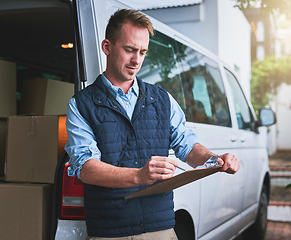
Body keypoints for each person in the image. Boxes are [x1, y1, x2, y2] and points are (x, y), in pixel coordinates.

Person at [65, 8, 240, 240]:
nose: (136, 60)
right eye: (129, 50)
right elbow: (86, 168)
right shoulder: (81, 104)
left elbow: (187, 145)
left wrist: (215, 160)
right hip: (110, 230)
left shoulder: (162, 99)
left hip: (161, 228)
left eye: (142, 52)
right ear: (107, 47)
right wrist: (138, 176)